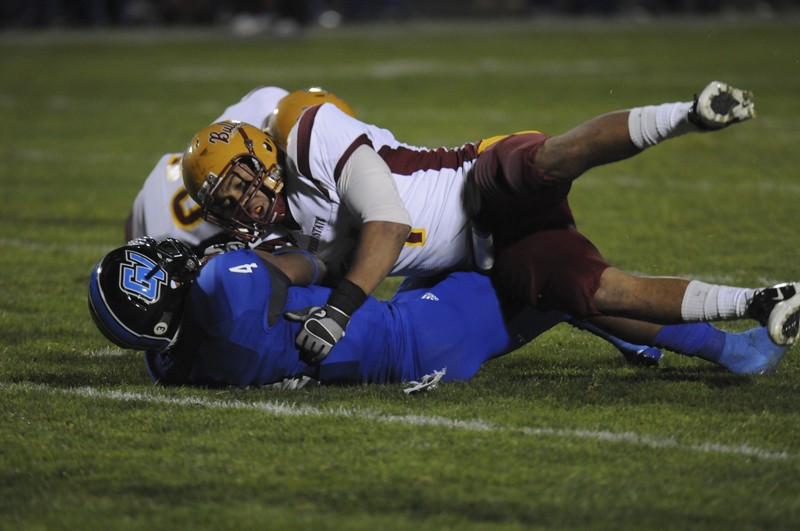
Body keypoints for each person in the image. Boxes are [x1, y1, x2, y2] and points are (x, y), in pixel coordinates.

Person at [179, 80, 800, 364]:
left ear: (257, 155)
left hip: (476, 182)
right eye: (223, 203)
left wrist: (338, 310)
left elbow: (388, 225)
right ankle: (754, 305)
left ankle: (687, 114)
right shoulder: (276, 226)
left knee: (545, 161)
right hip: (485, 255)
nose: (238, 205)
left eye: (236, 185)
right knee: (584, 291)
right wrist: (216, 275)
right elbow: (309, 263)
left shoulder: (307, 129)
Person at [86, 238, 789, 389]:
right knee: (556, 270)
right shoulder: (224, 287)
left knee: (541, 291)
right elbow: (307, 265)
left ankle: (640, 346)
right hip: (419, 332)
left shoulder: (170, 362)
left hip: (415, 344)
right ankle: (735, 348)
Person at [124, 85, 289, 250]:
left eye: (241, 185)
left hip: (177, 173)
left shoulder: (266, 105)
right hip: (165, 224)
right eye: (228, 204)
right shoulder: (167, 234)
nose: (243, 203)